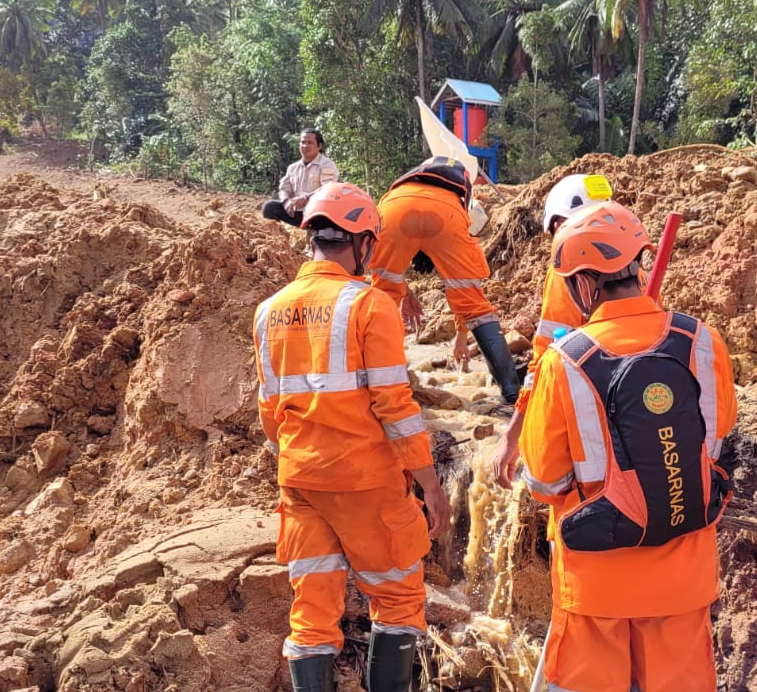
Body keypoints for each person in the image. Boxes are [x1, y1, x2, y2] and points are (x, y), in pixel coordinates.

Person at [520, 201, 737, 692]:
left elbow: (544, 479)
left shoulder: (566, 361)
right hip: (683, 578)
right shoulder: (701, 342)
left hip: (596, 587)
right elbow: (716, 447)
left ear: (584, 283)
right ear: (639, 265)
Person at [252, 181, 451, 692]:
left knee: (312, 615)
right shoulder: (369, 306)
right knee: (396, 595)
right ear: (363, 242)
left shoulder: (268, 310)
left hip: (299, 479)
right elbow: (395, 406)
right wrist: (430, 485)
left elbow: (269, 410)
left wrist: (299, 458)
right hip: (365, 481)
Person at [492, 172, 613, 488]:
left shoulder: (566, 275)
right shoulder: (635, 271)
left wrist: (514, 433)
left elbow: (545, 361)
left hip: (587, 433)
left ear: (561, 224)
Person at [367, 156, 520, 403]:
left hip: (395, 209)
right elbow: (464, 294)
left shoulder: (405, 183)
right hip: (446, 216)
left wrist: (401, 291)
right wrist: (461, 336)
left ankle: (381, 386)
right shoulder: (460, 190)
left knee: (381, 295)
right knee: (475, 305)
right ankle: (512, 394)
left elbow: (387, 270)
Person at [261, 129, 340, 226]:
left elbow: (328, 189)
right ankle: (280, 237)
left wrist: (306, 198)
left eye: (310, 143)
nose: (305, 146)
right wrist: (286, 201)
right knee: (269, 207)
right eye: (303, 142)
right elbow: (284, 189)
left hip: (317, 213)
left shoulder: (327, 165)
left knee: (327, 217)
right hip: (296, 213)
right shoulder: (292, 168)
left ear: (319, 146)